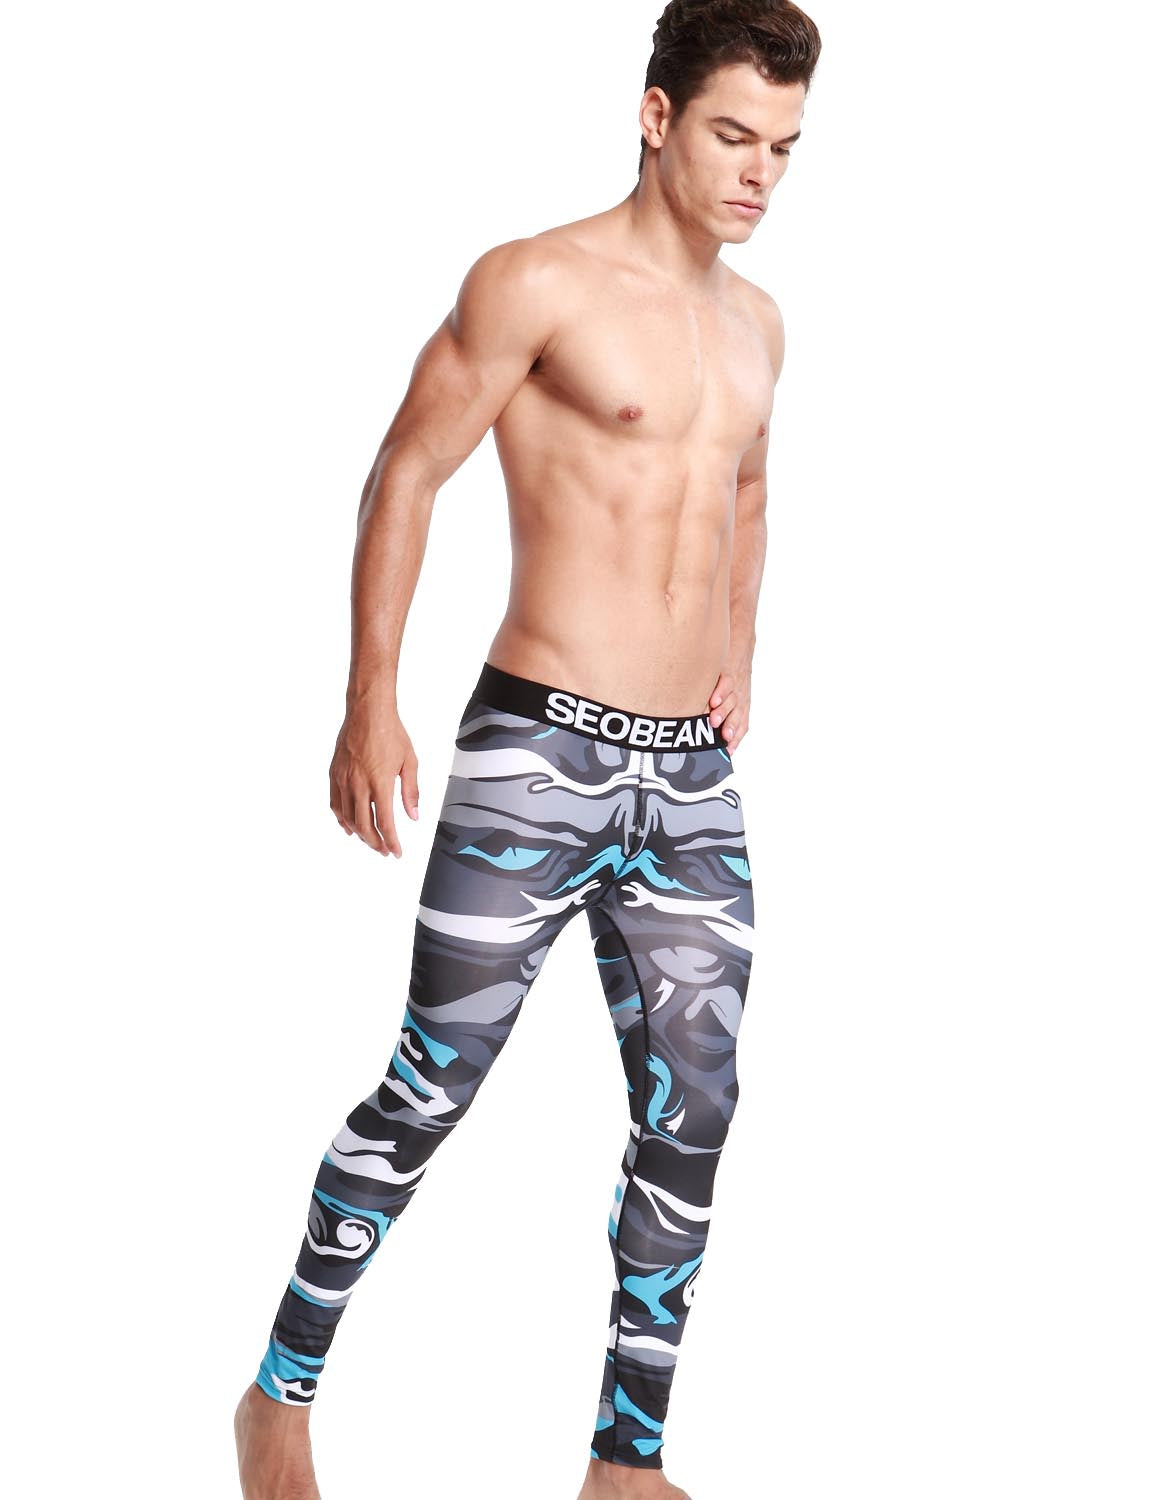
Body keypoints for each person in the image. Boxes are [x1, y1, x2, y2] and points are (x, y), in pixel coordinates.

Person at [234, 2, 821, 1495]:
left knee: (696, 1107)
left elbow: (748, 488)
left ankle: (626, 1462)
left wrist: (739, 651)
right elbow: (407, 470)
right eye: (733, 135)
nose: (759, 173)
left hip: (688, 779)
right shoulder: (536, 281)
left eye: (784, 147)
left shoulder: (759, 323)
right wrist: (369, 699)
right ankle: (278, 1396)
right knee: (430, 1086)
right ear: (655, 116)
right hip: (536, 754)